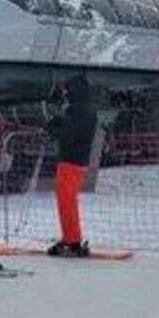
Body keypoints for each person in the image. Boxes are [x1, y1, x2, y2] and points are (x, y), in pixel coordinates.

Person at [46, 73, 97, 257]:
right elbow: (73, 129)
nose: (65, 93)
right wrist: (60, 121)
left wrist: (53, 128)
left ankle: (72, 241)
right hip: (79, 161)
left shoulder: (75, 110)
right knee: (69, 201)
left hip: (70, 160)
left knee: (66, 202)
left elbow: (68, 135)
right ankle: (71, 237)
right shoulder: (87, 109)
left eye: (67, 89)